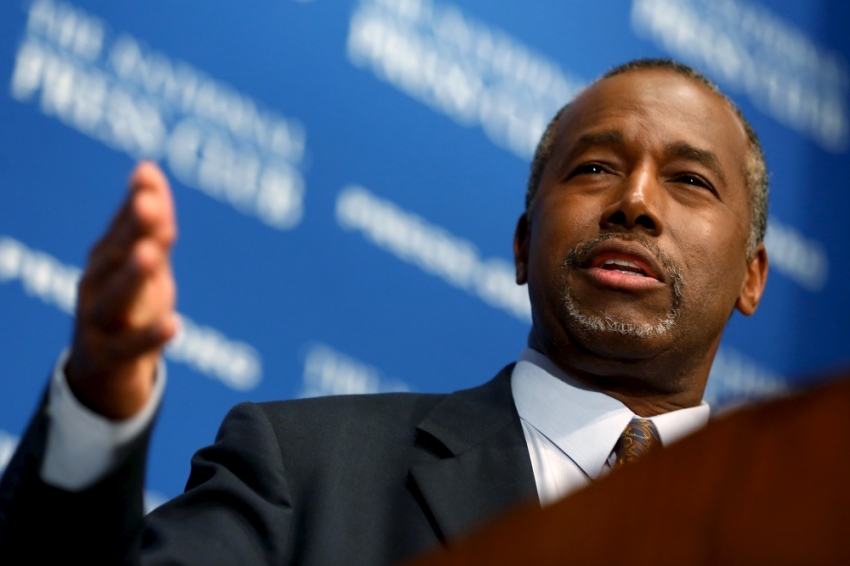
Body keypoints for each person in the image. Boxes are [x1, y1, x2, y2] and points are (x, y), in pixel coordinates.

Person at [0, 58, 769, 564]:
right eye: (595, 167)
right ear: (522, 244)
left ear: (752, 276)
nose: (635, 201)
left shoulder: (796, 531)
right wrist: (99, 410)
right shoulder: (302, 467)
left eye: (690, 180)